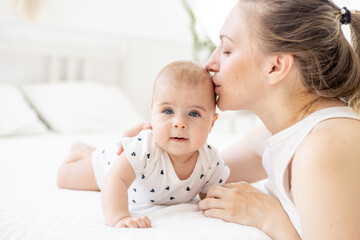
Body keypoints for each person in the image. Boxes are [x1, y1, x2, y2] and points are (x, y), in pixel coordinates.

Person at [118, 1, 360, 239]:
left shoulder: (326, 145)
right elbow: (198, 176)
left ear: (275, 67)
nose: (210, 64)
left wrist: (268, 215)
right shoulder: (280, 132)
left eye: (226, 50)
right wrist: (143, 152)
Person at [57, 61, 230, 228]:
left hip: (129, 160)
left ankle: (88, 150)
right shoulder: (146, 146)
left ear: (212, 123)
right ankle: (83, 153)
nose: (179, 123)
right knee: (64, 177)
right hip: (109, 164)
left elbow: (209, 196)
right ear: (152, 114)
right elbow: (116, 179)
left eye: (194, 113)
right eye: (168, 111)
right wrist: (120, 217)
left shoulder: (211, 160)